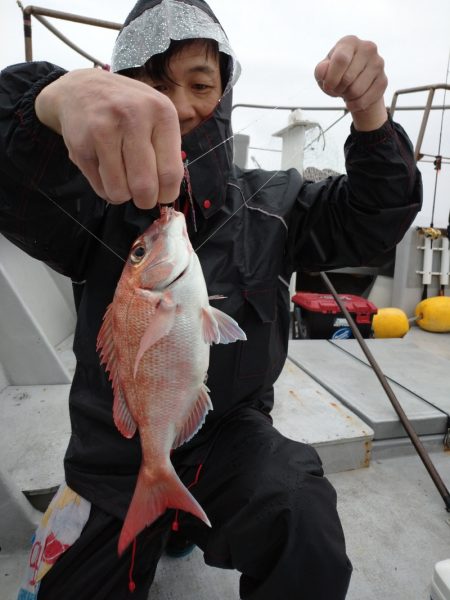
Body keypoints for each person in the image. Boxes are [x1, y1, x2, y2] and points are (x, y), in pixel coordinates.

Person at [0, 0, 422, 598]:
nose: (177, 105)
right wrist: (49, 97)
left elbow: (374, 217)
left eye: (201, 83)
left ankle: (179, 515)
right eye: (150, 83)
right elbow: (12, 177)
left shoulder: (273, 201)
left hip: (230, 440)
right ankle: (160, 506)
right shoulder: (91, 199)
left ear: (225, 96)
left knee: (300, 510)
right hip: (112, 455)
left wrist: (372, 115)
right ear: (118, 88)